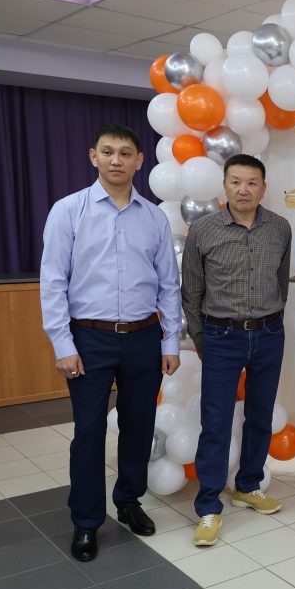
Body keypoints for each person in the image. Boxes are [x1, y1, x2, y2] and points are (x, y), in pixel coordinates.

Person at [40, 124, 181, 562]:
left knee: (138, 426)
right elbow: (53, 280)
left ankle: (129, 500)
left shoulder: (154, 217)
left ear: (140, 160)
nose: (116, 160)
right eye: (107, 152)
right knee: (89, 431)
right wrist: (62, 344)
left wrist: (170, 342)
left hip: (143, 337)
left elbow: (168, 284)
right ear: (93, 157)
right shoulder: (68, 211)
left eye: (125, 153)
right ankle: (86, 520)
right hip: (89, 338)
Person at [181, 154, 291, 546]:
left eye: (252, 182)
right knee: (216, 421)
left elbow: (281, 283)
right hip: (221, 336)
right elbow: (191, 291)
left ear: (263, 187)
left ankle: (247, 485)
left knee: (260, 415)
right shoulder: (203, 230)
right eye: (236, 182)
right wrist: (202, 339)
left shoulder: (279, 228)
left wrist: (271, 323)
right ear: (224, 186)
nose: (244, 189)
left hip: (268, 334)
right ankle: (209, 506)